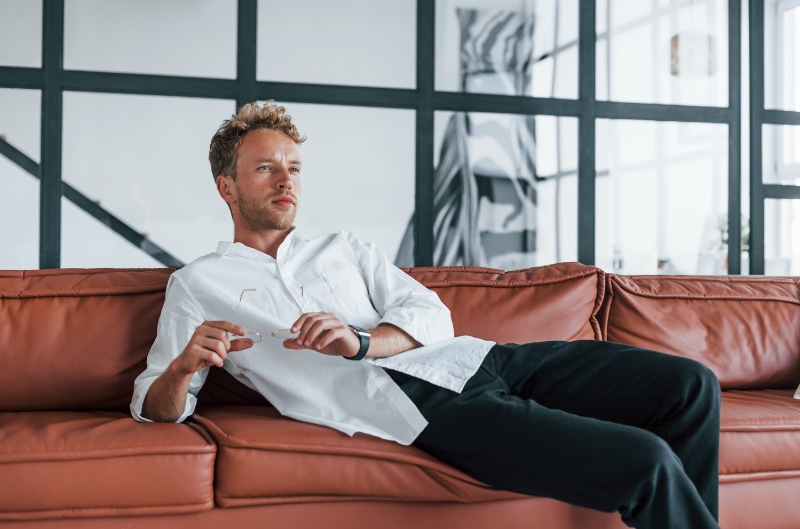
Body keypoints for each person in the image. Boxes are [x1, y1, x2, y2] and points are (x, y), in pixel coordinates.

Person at [131, 100, 721, 529]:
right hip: (428, 409)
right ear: (226, 186)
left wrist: (360, 339)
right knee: (645, 462)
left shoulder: (343, 248)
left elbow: (429, 312)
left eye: (294, 167)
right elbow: (151, 406)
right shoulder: (199, 284)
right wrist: (183, 368)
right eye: (266, 168)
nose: (287, 180)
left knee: (690, 385)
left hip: (482, 358)